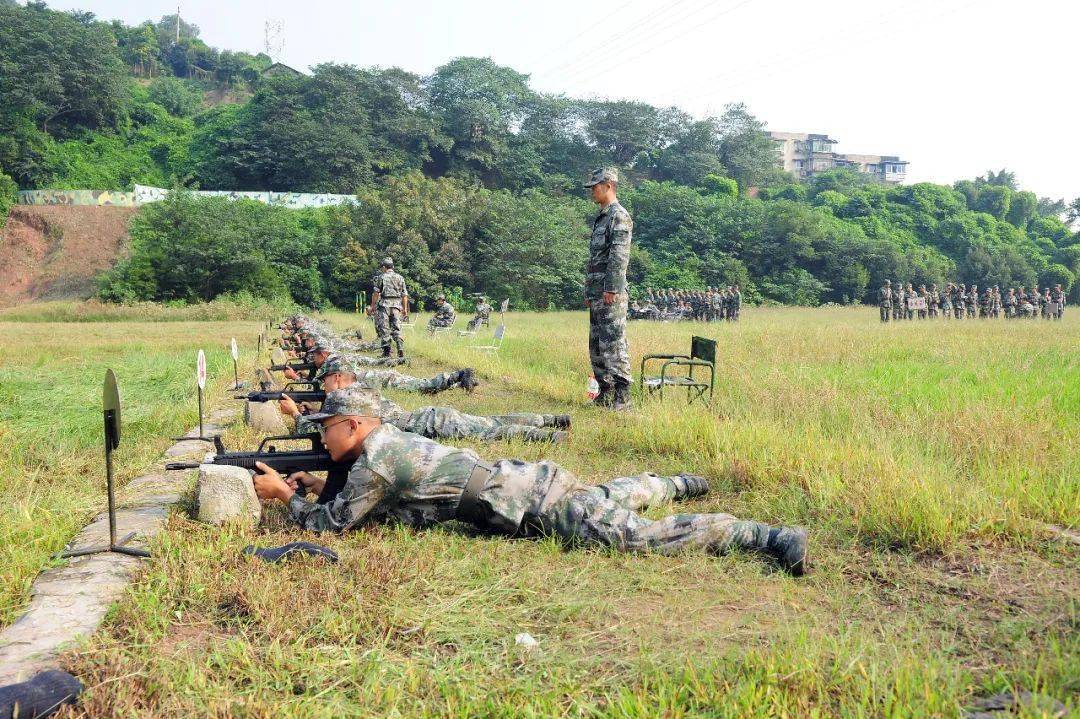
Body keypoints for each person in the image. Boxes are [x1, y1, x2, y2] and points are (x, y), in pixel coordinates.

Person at [252, 386, 810, 575]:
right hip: (524, 485)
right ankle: (675, 481)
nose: (321, 438)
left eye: (326, 429)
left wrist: (284, 498)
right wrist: (314, 484)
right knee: (603, 496)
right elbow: (363, 501)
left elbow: (335, 526)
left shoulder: (378, 460)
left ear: (354, 423)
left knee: (630, 535)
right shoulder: (383, 445)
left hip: (531, 504)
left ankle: (761, 536)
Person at [583, 168, 633, 411]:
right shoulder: (602, 216)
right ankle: (605, 391)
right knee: (596, 345)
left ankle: (623, 397)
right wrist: (590, 291)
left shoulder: (618, 216)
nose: (592, 190)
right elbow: (595, 259)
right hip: (597, 293)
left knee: (613, 344)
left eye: (595, 186)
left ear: (608, 185)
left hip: (610, 294)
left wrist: (611, 289)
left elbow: (618, 257)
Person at [369, 257, 409, 358]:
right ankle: (400, 348)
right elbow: (404, 295)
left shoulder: (381, 277)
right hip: (397, 305)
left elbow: (376, 293)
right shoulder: (400, 278)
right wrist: (405, 310)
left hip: (384, 305)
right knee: (396, 328)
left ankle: (386, 353)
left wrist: (373, 306)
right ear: (392, 267)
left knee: (385, 329)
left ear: (384, 267)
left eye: (381, 267)